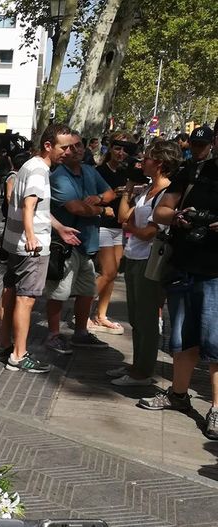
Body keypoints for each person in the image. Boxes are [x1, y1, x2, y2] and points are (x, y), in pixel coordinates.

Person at [139, 151, 218, 441]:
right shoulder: (194, 172)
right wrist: (178, 217)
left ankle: (216, 409)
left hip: (216, 274)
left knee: (216, 342)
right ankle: (178, 394)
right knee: (182, 339)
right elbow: (160, 211)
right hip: (183, 267)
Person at [0, 123, 80, 373]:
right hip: (30, 248)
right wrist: (32, 237)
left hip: (16, 244)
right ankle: (19, 355)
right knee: (26, 299)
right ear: (48, 146)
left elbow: (36, 209)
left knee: (11, 293)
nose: (69, 152)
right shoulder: (38, 171)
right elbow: (29, 206)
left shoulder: (30, 166)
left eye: (72, 147)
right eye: (64, 147)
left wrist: (59, 228)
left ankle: (4, 346)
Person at [107, 140, 179, 386]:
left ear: (159, 163)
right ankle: (137, 366)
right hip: (135, 256)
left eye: (146, 158)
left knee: (147, 318)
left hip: (150, 259)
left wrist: (130, 228)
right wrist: (128, 190)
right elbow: (123, 216)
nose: (141, 163)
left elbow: (150, 232)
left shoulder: (166, 193)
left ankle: (143, 371)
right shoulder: (147, 189)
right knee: (136, 317)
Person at [43, 132, 116, 355]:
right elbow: (75, 208)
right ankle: (53, 334)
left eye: (79, 146)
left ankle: (81, 333)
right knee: (59, 292)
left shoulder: (89, 171)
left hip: (88, 243)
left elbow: (110, 193)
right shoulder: (58, 177)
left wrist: (99, 199)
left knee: (87, 290)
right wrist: (103, 209)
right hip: (66, 245)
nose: (76, 150)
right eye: (71, 147)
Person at [89, 133, 133, 335]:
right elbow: (89, 199)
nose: (121, 153)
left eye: (125, 149)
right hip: (102, 225)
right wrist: (116, 193)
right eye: (117, 148)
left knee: (112, 274)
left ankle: (101, 315)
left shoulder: (128, 172)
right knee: (108, 272)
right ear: (110, 148)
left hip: (119, 228)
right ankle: (82, 312)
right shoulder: (98, 171)